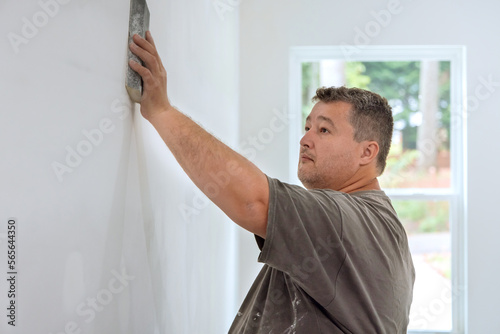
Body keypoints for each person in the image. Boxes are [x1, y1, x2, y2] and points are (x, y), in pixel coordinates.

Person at [129, 31, 415, 333]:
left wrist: (161, 110)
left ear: (367, 152)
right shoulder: (380, 225)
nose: (305, 140)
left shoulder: (346, 219)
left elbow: (254, 201)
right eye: (307, 127)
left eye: (324, 130)